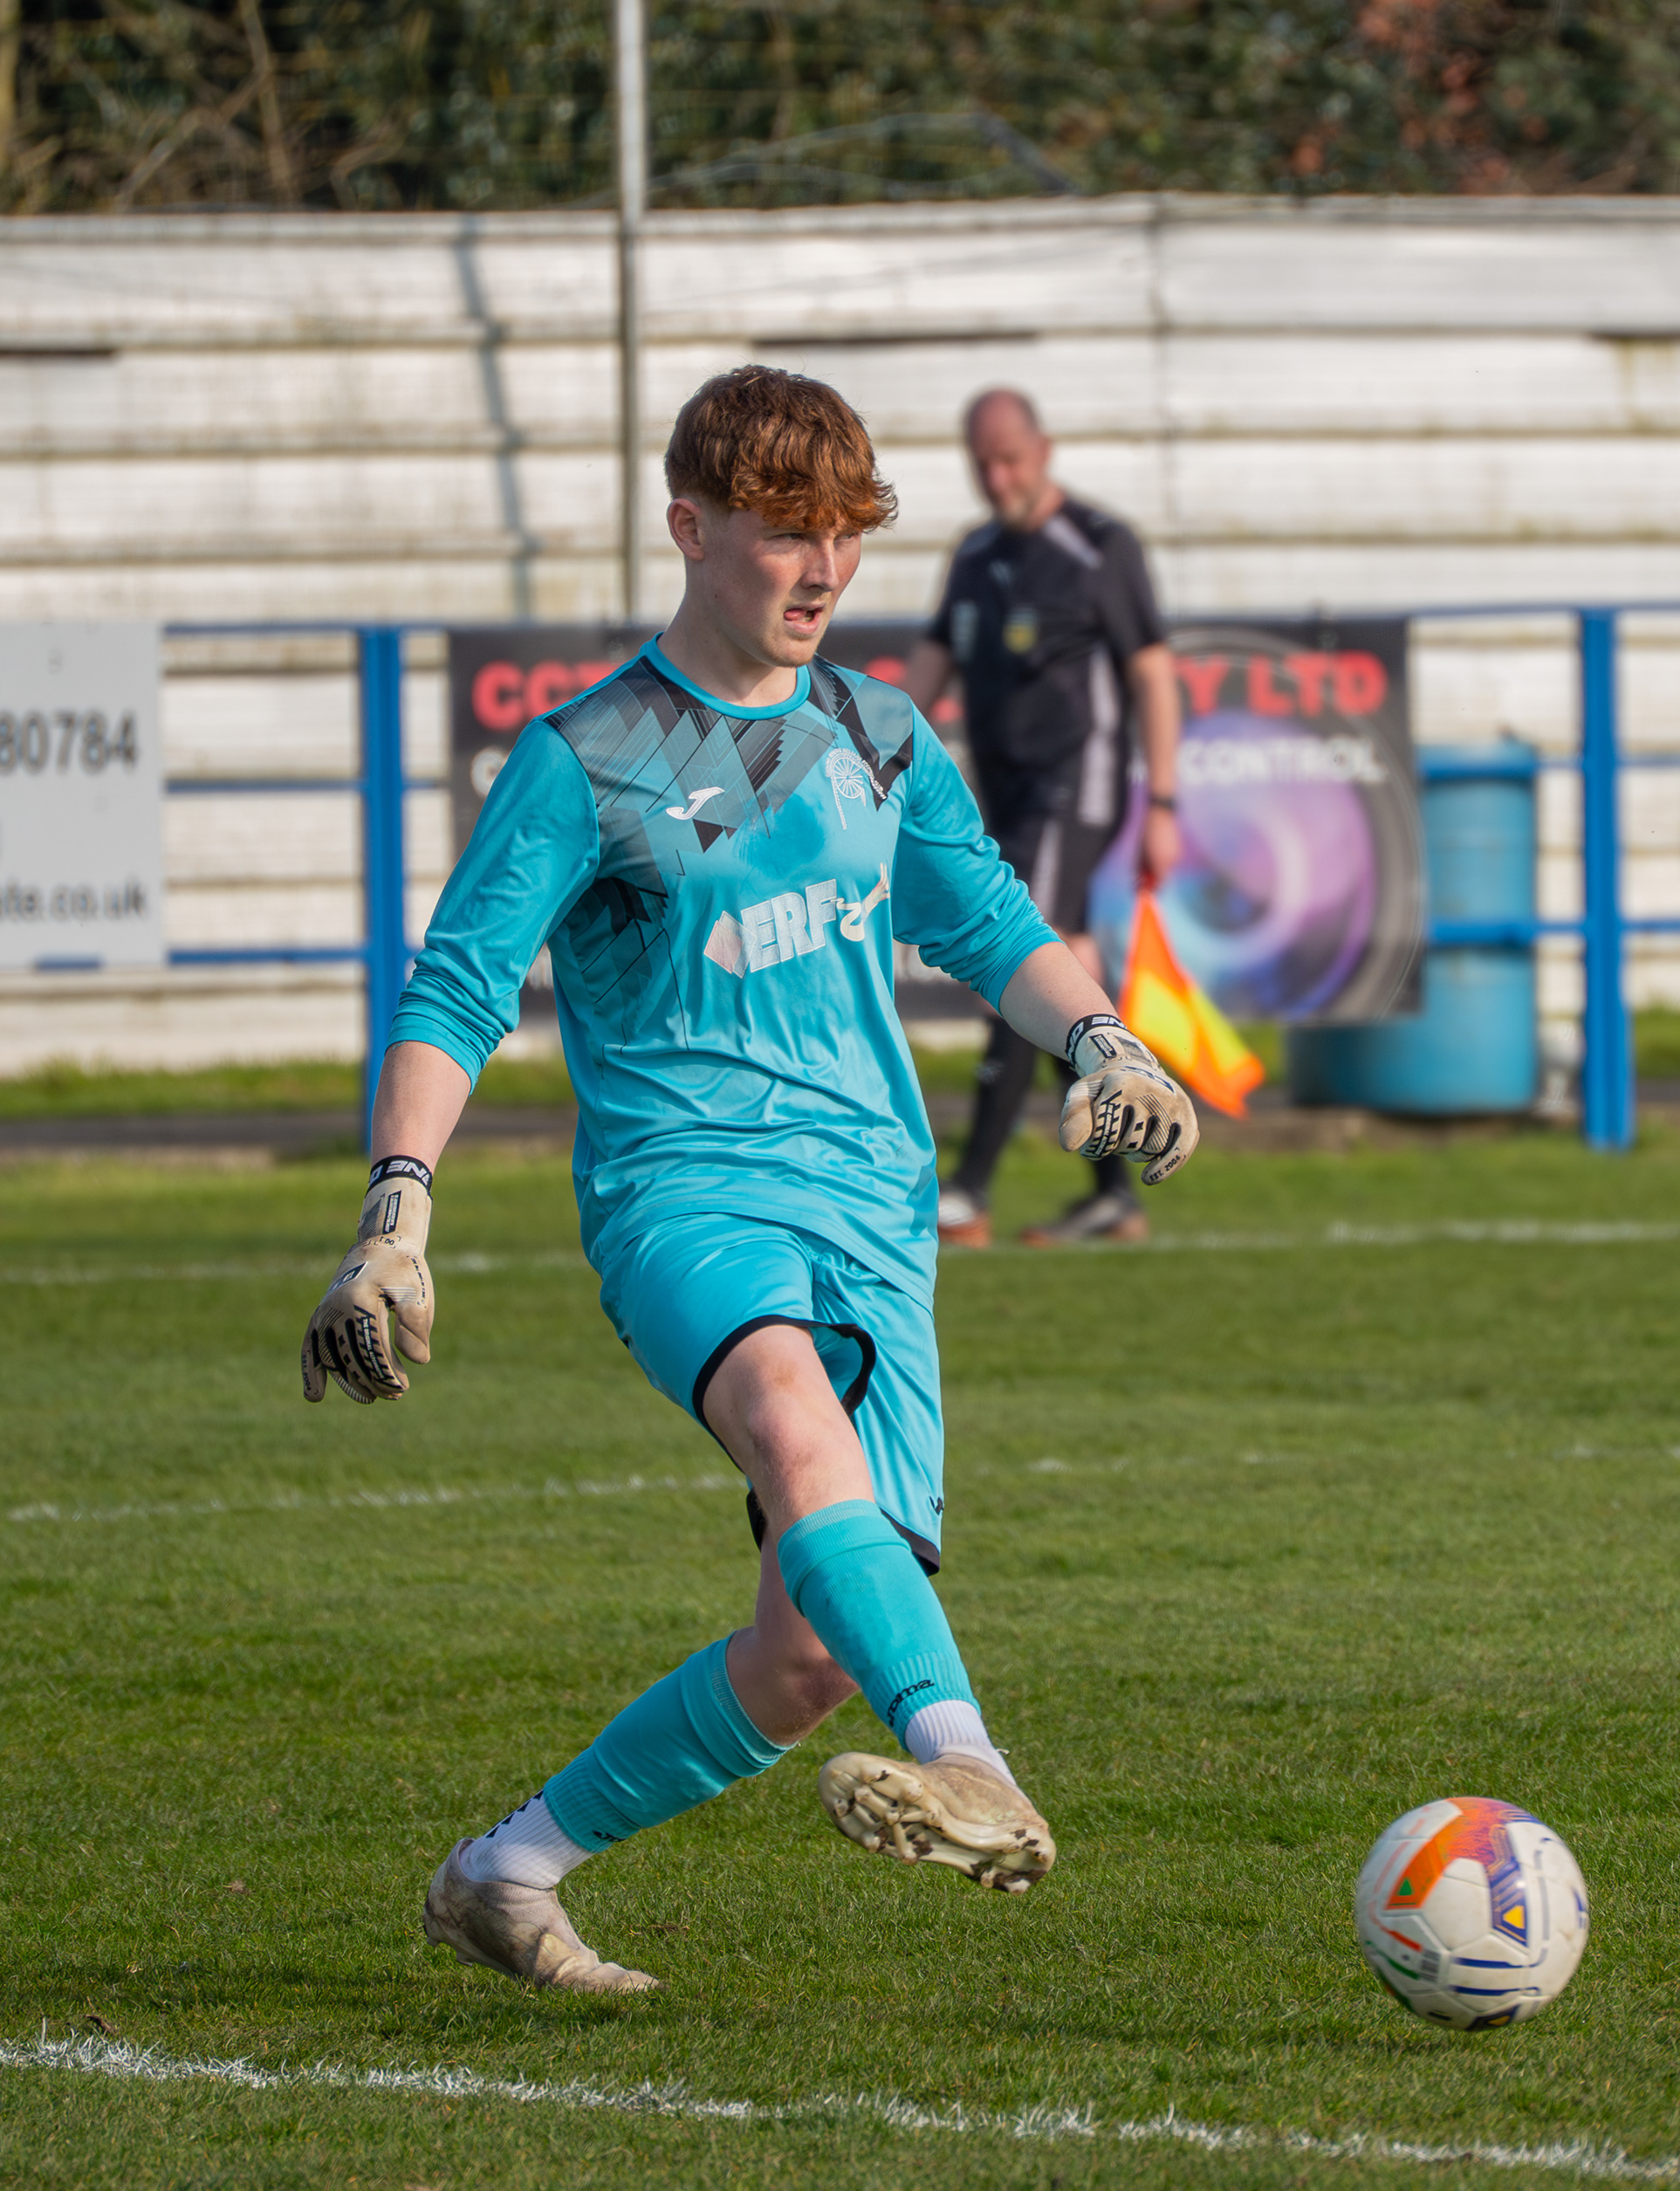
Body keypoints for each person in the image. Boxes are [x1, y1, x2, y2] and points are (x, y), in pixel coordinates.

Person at [302, 365, 1198, 1994]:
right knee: (790, 1417)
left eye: (847, 534)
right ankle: (977, 1768)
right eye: (788, 534)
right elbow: (456, 987)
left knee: (806, 1660)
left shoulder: (878, 732)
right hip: (685, 1196)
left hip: (877, 1213)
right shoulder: (587, 758)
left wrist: (1107, 1045)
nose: (824, 569)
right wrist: (396, 1211)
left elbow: (989, 921)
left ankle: (507, 1873)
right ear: (690, 527)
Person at [904, 390, 1185, 1246]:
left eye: (1011, 460)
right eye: (983, 463)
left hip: (1077, 784)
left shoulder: (1099, 545)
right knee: (1071, 975)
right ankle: (1115, 1189)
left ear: (1045, 450)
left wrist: (1164, 801)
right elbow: (932, 662)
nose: (998, 478)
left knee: (1023, 956)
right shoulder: (976, 553)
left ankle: (969, 1189)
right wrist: (873, 756)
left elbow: (1153, 674)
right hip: (1007, 795)